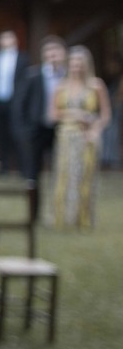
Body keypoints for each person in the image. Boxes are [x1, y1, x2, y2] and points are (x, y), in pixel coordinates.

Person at [50, 46, 111, 229]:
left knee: (84, 177)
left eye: (80, 63)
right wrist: (75, 113)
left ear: (86, 65)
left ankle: (82, 219)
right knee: (64, 176)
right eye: (73, 63)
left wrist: (95, 130)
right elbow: (53, 114)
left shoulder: (96, 85)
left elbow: (105, 115)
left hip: (86, 136)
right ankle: (61, 219)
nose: (76, 67)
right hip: (66, 136)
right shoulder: (61, 86)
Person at [19, 35, 67, 184]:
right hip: (37, 128)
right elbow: (21, 104)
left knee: (61, 169)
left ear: (63, 53)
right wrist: (25, 128)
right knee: (34, 173)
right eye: (49, 51)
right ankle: (34, 204)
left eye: (56, 51)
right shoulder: (33, 76)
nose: (52, 55)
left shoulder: (68, 76)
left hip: (62, 128)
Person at [0, 30, 28, 172]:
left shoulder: (23, 58)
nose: (5, 41)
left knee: (17, 134)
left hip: (16, 102)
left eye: (8, 38)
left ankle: (21, 167)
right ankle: (3, 167)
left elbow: (24, 82)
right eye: (3, 38)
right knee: (1, 136)